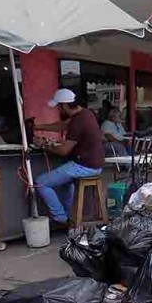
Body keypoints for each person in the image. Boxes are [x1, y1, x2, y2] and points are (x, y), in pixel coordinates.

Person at [35, 89, 104, 225]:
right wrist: (38, 126)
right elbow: (64, 125)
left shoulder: (78, 121)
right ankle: (69, 217)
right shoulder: (86, 114)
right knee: (66, 183)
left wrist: (43, 144)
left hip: (85, 166)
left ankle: (61, 218)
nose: (58, 110)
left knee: (40, 182)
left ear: (64, 105)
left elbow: (63, 151)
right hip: (95, 165)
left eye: (59, 106)